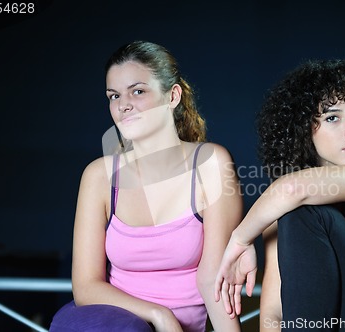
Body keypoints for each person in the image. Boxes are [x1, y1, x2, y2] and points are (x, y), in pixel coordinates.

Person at [214, 59, 345, 331]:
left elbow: (293, 189)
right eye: (332, 118)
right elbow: (273, 312)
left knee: (302, 207)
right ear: (304, 129)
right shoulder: (281, 206)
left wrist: (240, 240)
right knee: (292, 209)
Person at [49, 40, 243, 332]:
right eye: (113, 96)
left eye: (137, 91)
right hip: (113, 324)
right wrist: (159, 315)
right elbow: (86, 286)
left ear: (172, 96)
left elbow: (214, 278)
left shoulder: (211, 163)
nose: (123, 105)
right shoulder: (99, 176)